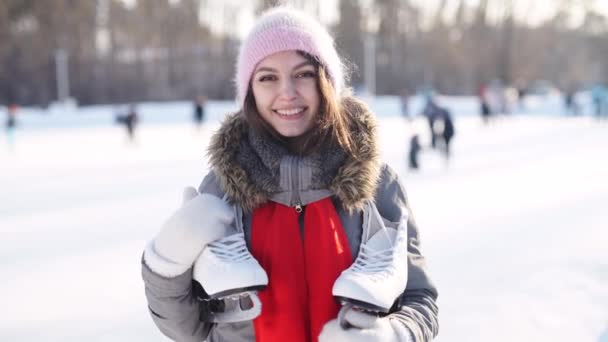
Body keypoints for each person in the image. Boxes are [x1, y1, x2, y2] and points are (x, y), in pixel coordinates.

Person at [141, 7, 438, 342]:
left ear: (326, 81)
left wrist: (394, 334)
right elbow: (189, 330)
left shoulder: (378, 184)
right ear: (250, 91)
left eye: (303, 74)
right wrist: (166, 263)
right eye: (267, 77)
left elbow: (420, 299)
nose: (288, 92)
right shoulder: (221, 189)